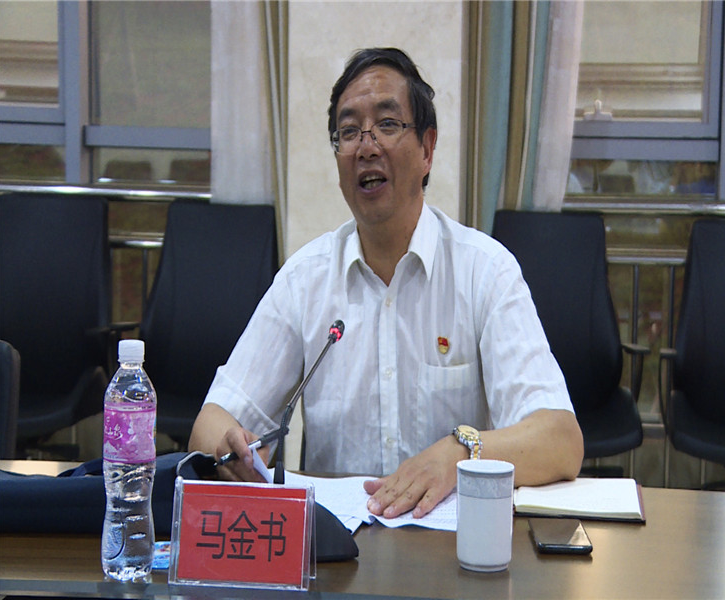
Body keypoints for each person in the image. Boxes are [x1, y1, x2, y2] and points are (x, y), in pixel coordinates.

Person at [189, 47, 583, 519]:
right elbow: (210, 424)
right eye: (349, 131)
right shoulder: (304, 280)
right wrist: (231, 450)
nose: (366, 147)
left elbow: (561, 440)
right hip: (336, 549)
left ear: (427, 150)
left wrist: (458, 453)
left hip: (452, 548)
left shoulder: (485, 271)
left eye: (388, 124)